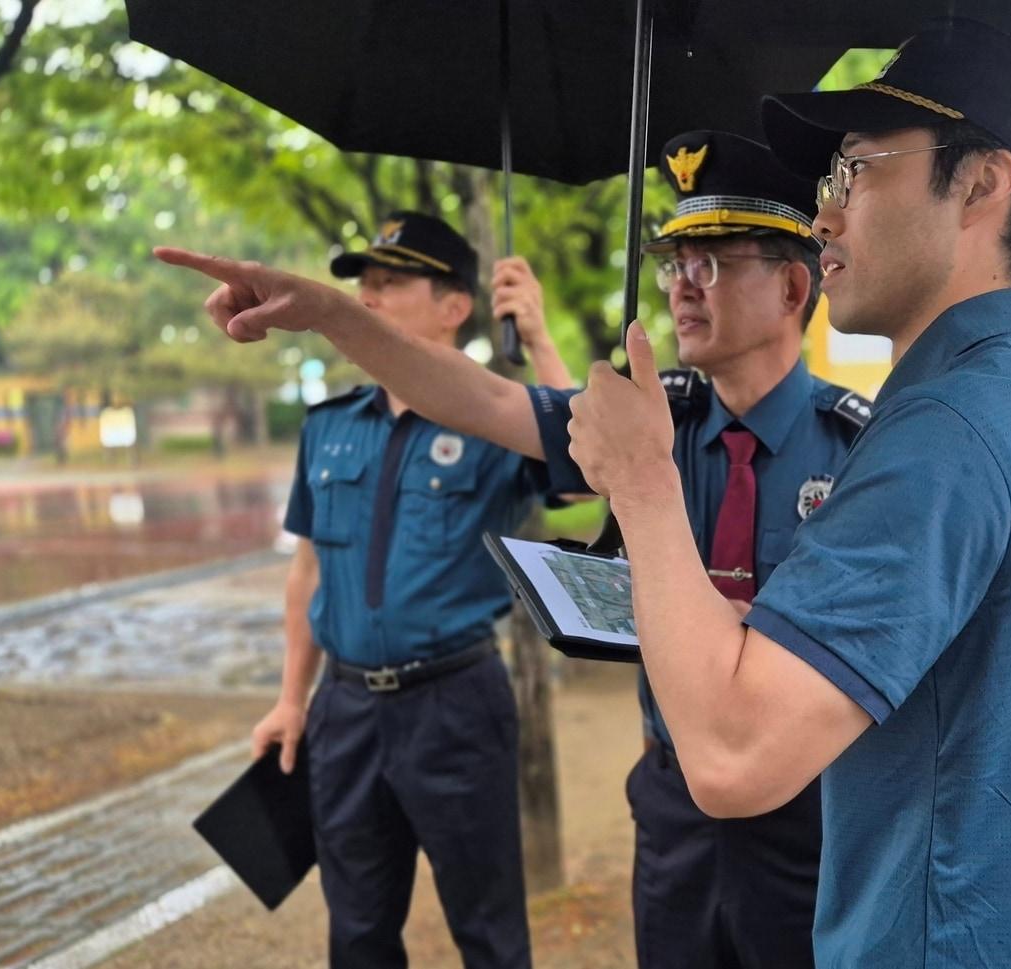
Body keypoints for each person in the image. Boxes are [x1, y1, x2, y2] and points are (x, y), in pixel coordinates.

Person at [155, 131, 871, 969]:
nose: (682, 286)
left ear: (792, 286)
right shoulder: (648, 420)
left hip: (814, 808)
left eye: (710, 264)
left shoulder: (863, 448)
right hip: (673, 798)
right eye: (674, 264)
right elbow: (482, 399)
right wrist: (330, 314)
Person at [562, 18, 1011, 969]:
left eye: (856, 171)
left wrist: (642, 480)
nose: (824, 217)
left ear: (982, 184)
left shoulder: (942, 435)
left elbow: (732, 757)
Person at [249, 211, 573, 969]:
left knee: (488, 933)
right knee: (358, 932)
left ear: (454, 305)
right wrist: (292, 699)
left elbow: (586, 464)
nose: (367, 297)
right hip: (346, 708)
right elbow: (307, 573)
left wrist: (539, 339)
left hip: (454, 706)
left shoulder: (501, 418)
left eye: (391, 282)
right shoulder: (329, 426)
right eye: (365, 281)